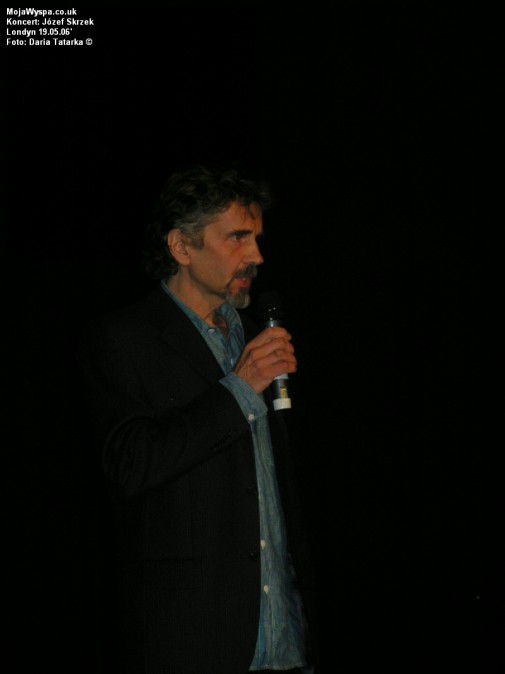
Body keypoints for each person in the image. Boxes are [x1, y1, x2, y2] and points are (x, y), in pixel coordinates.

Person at [78, 164, 320, 673]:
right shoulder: (124, 340)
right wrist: (238, 389)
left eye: (256, 238)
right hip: (194, 641)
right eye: (237, 238)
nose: (257, 256)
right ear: (182, 247)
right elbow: (130, 465)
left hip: (284, 640)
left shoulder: (254, 336)